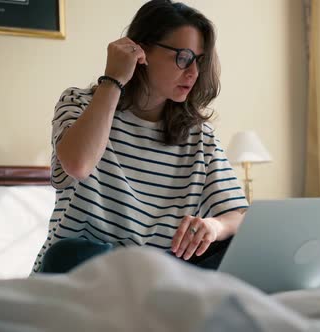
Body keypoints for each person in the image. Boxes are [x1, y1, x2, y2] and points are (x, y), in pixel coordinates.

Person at [32, 0, 249, 274]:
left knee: (232, 245)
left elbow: (240, 215)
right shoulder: (78, 103)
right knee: (72, 253)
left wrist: (214, 227)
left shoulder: (199, 137)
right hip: (83, 268)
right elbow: (79, 164)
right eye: (183, 57)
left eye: (199, 61)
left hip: (157, 276)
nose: (193, 73)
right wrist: (114, 79)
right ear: (141, 50)